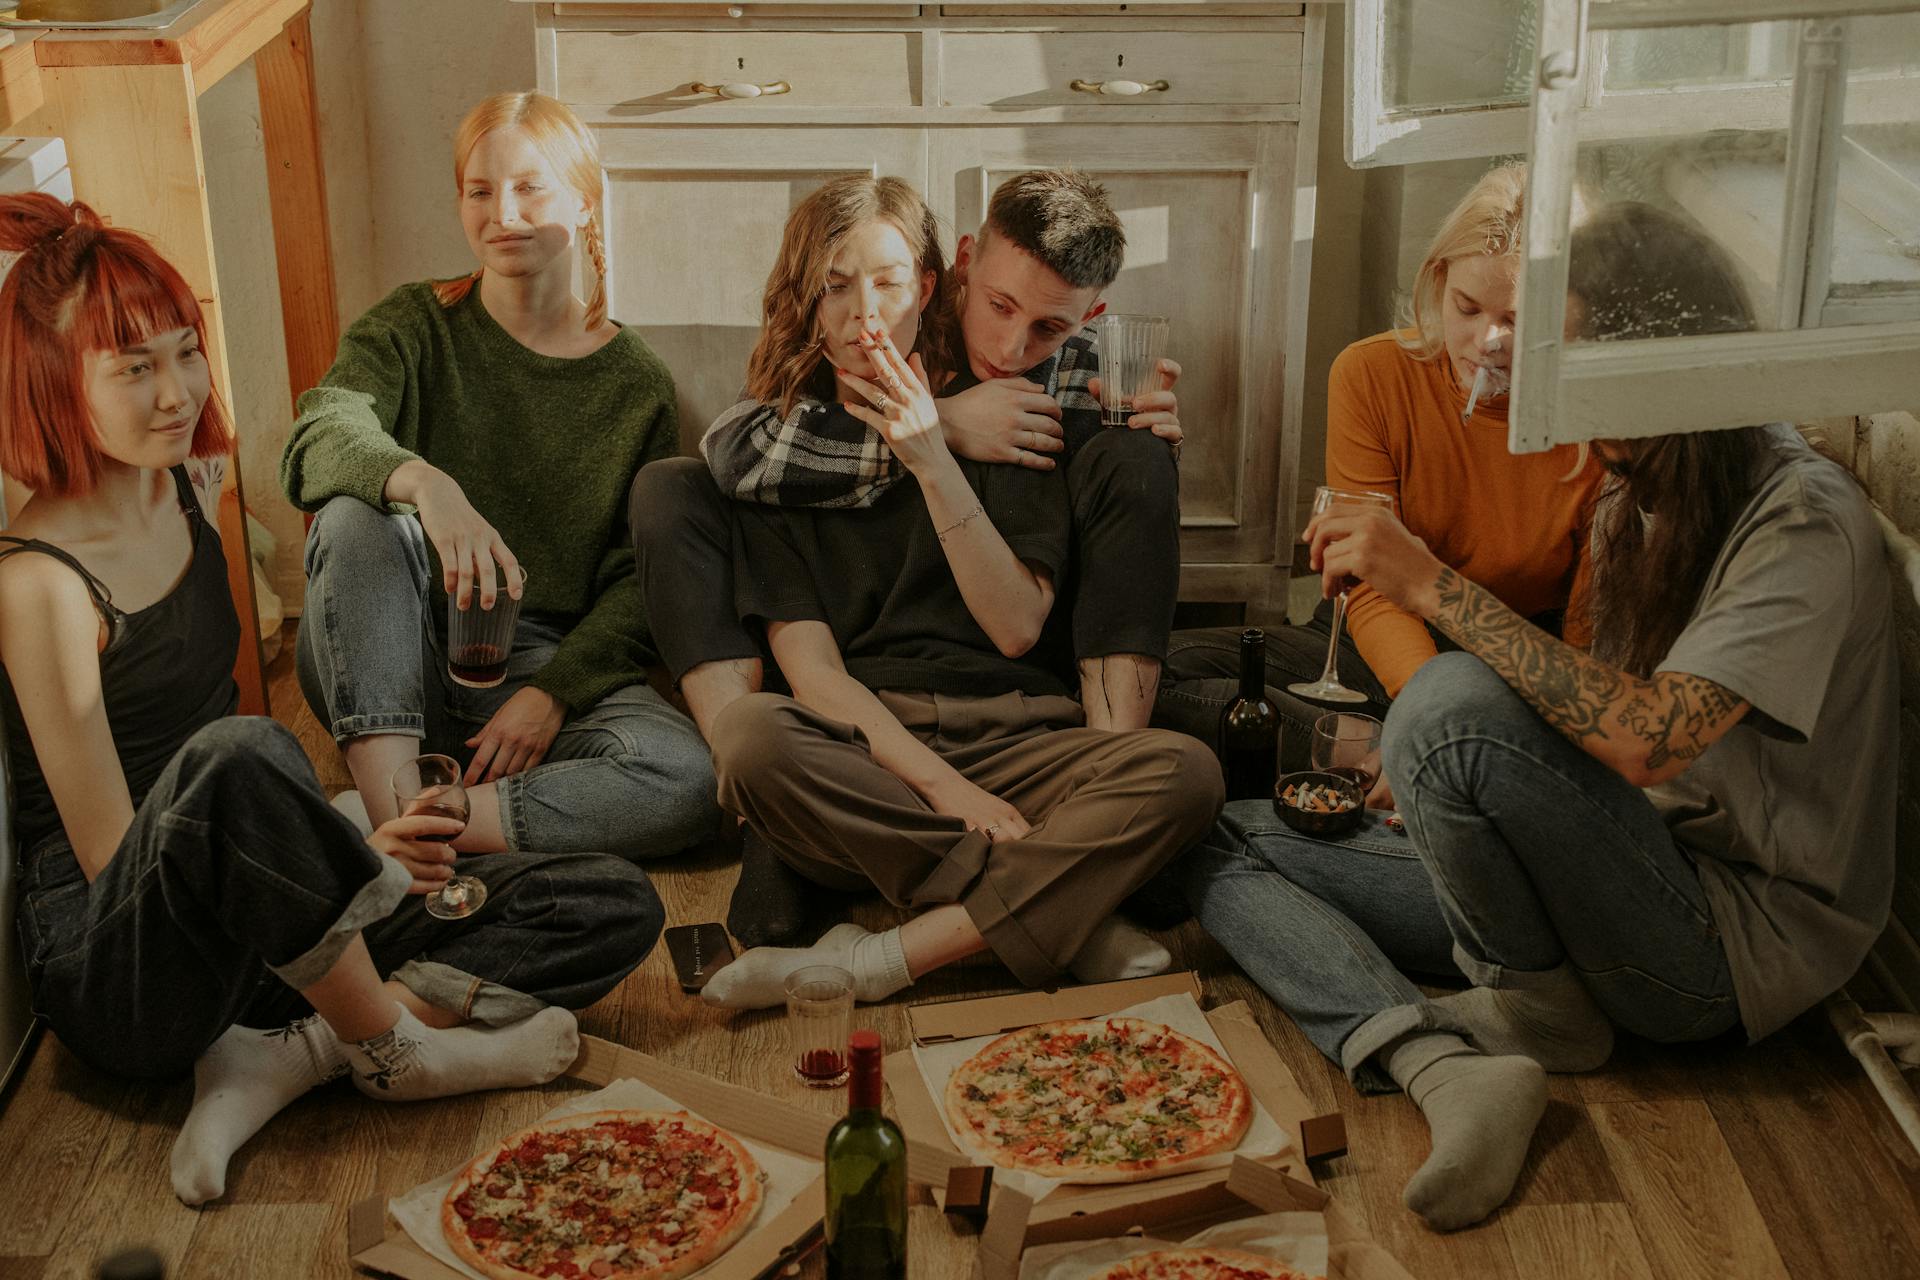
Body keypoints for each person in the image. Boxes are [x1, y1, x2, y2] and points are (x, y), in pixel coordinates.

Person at [1180, 201, 1895, 1231]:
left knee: (1448, 702)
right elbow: (1583, 721)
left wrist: (1432, 600)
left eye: (1570, 358)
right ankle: (1442, 1066)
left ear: (1667, 363)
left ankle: (1536, 1011)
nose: (1545, 391)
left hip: (1719, 952)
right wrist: (1445, 801)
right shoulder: (1633, 489)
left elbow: (1648, 738)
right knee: (1216, 828)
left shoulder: (1804, 519)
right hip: (1616, 874)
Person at [0, 194, 661, 1209]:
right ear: (50, 381)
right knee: (246, 746)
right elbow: (112, 854)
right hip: (122, 958)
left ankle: (290, 1052)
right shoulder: (37, 582)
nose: (178, 391)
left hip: (250, 906)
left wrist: (332, 854)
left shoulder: (183, 484)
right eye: (134, 368)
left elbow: (239, 786)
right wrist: (334, 857)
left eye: (186, 351)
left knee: (611, 901)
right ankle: (393, 1051)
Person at [676, 176, 1222, 1008]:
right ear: (964, 270)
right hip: (878, 752)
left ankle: (885, 957)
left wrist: (939, 452)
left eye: (890, 284)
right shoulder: (787, 448)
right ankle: (1059, 902)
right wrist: (949, 790)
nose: (1011, 345)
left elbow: (1016, 629)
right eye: (838, 287)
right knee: (752, 736)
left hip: (1023, 735)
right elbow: (815, 675)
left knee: (1187, 772)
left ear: (927, 283)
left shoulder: (1031, 409)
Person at [282, 90, 714, 861]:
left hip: (531, 664)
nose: (503, 212)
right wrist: (428, 486)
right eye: (479, 191)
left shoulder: (635, 381)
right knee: (353, 516)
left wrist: (554, 695)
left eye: (530, 187)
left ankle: (397, 829)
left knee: (684, 779)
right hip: (391, 641)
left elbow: (635, 582)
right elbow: (319, 434)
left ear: (585, 204)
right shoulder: (412, 324)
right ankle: (400, 807)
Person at [1155, 164, 1601, 786]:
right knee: (1144, 676)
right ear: (1438, 279)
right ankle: (1382, 759)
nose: (1487, 340)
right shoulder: (1372, 374)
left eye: (1520, 320)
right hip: (1377, 637)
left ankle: (1412, 759)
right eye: (1466, 307)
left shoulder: (1602, 423)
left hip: (1514, 673)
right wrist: (1423, 715)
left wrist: (1441, 718)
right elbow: (1364, 586)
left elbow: (1583, 658)